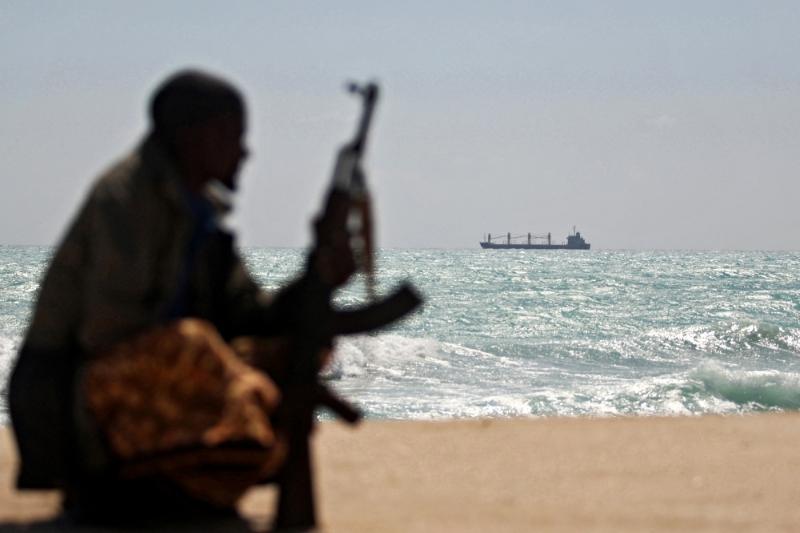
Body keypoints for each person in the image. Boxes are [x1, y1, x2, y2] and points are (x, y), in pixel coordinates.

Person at [9, 70, 355, 524]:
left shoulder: (200, 217)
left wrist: (318, 276)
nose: (244, 152)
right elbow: (106, 334)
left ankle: (199, 488)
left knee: (293, 348)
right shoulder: (128, 199)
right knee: (192, 343)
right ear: (197, 138)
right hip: (72, 395)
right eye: (234, 137)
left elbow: (250, 313)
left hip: (143, 379)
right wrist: (227, 367)